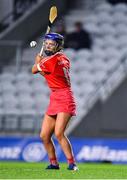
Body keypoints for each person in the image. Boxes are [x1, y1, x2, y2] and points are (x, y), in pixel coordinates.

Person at [32, 33, 78, 171]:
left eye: (51, 44)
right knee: (44, 135)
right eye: (46, 43)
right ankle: (54, 163)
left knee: (59, 133)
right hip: (55, 97)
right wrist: (41, 63)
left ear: (58, 46)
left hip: (65, 98)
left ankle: (72, 163)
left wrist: (37, 62)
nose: (47, 46)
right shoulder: (63, 58)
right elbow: (49, 74)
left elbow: (34, 70)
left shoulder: (49, 60)